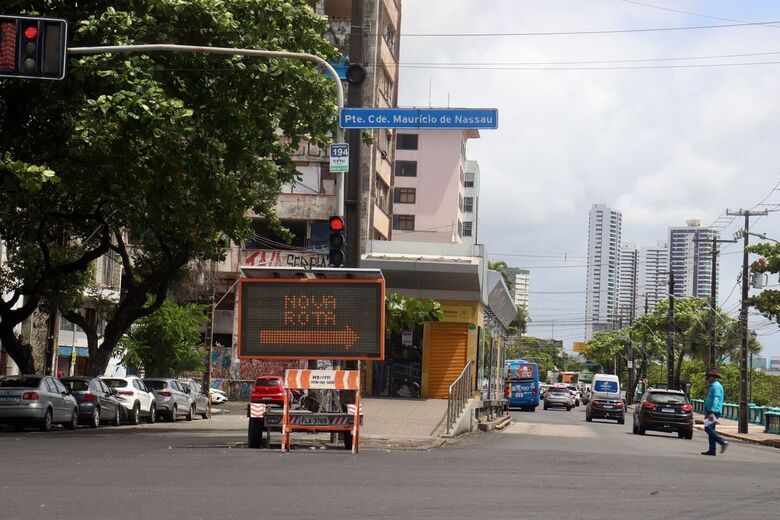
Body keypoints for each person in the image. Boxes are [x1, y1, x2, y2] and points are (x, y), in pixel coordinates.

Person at [702, 370, 728, 456]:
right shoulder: (712, 385)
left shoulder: (716, 386)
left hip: (713, 411)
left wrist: (712, 411)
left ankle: (722, 442)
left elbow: (716, 399)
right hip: (710, 410)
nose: (707, 378)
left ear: (713, 377)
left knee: (708, 428)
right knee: (711, 430)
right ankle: (712, 450)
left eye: (709, 377)